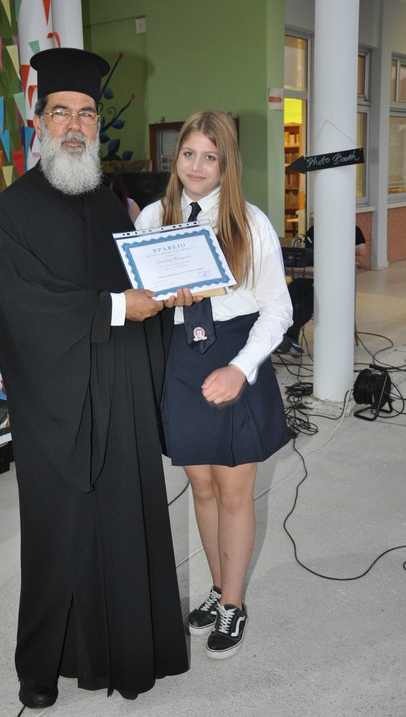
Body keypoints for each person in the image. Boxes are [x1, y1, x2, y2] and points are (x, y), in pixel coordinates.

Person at [0, 47, 188, 711]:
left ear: (99, 124)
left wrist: (169, 293)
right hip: (58, 403)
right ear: (38, 120)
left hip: (120, 393)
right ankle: (40, 667)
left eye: (87, 114)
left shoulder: (107, 202)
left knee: (125, 524)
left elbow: (136, 282)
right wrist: (117, 308)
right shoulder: (11, 212)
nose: (75, 126)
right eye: (61, 112)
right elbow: (29, 309)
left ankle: (130, 654)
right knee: (58, 536)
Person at [135, 110, 293, 660]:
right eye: (189, 154)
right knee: (200, 488)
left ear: (227, 164)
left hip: (234, 352)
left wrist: (241, 369)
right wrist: (159, 300)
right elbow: (142, 293)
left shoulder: (250, 222)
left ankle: (233, 602)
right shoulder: (154, 217)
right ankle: (217, 586)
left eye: (210, 157)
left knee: (233, 491)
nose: (197, 167)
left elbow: (278, 310)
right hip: (182, 357)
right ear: (175, 157)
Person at [276, 223, 368, 357]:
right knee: (291, 292)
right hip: (313, 277)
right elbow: (307, 256)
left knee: (315, 297)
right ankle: (289, 337)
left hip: (338, 281)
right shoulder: (313, 231)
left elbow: (364, 261)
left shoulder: (352, 230)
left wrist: (336, 256)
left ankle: (289, 335)